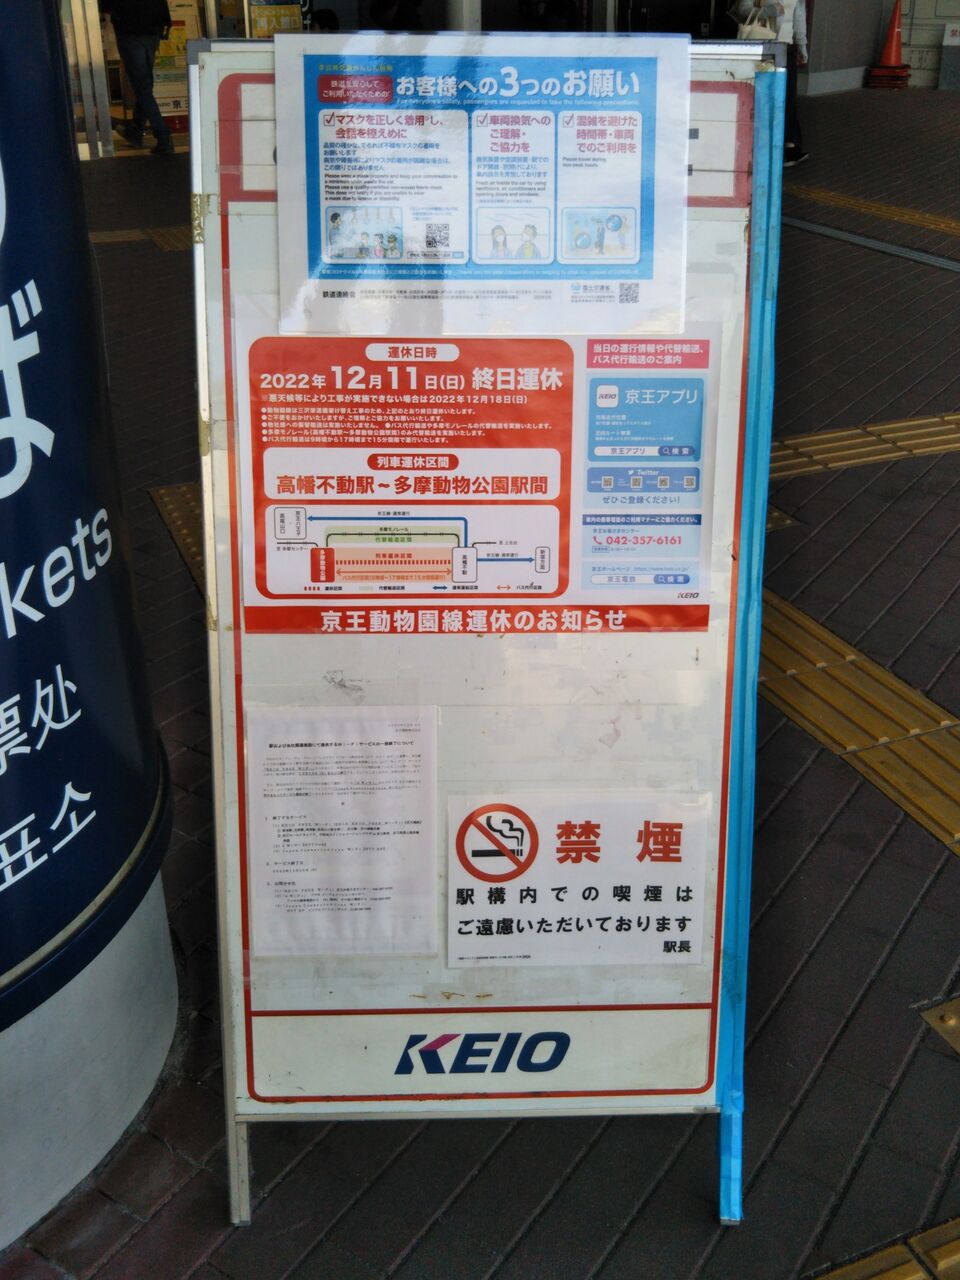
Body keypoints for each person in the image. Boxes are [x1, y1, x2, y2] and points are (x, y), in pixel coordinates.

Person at [732, 0, 808, 166]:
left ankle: (789, 148)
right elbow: (742, 9)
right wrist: (768, 11)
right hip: (764, 46)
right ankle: (760, 147)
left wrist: (802, 45)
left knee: (788, 98)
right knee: (763, 98)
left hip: (787, 47)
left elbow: (799, 17)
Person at [102, 0, 175, 156]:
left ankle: (163, 136)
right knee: (145, 84)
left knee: (142, 86)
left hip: (130, 31)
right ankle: (136, 129)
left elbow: (108, 8)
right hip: (152, 30)